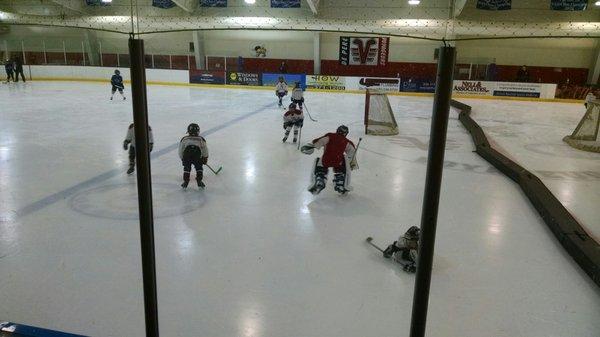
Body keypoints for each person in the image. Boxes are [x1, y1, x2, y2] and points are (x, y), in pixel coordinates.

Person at [301, 125, 357, 195]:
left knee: (319, 163)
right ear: (346, 133)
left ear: (337, 130)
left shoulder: (330, 136)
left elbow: (319, 141)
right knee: (343, 161)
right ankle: (340, 182)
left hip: (326, 159)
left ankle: (320, 179)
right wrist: (350, 163)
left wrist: (311, 146)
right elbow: (352, 153)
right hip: (338, 160)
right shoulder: (347, 141)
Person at [179, 123, 209, 189]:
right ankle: (199, 181)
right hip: (197, 157)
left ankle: (185, 182)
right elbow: (205, 149)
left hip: (187, 157)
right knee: (199, 168)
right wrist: (205, 158)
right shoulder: (201, 139)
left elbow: (181, 150)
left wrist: (182, 158)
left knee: (187, 169)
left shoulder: (184, 139)